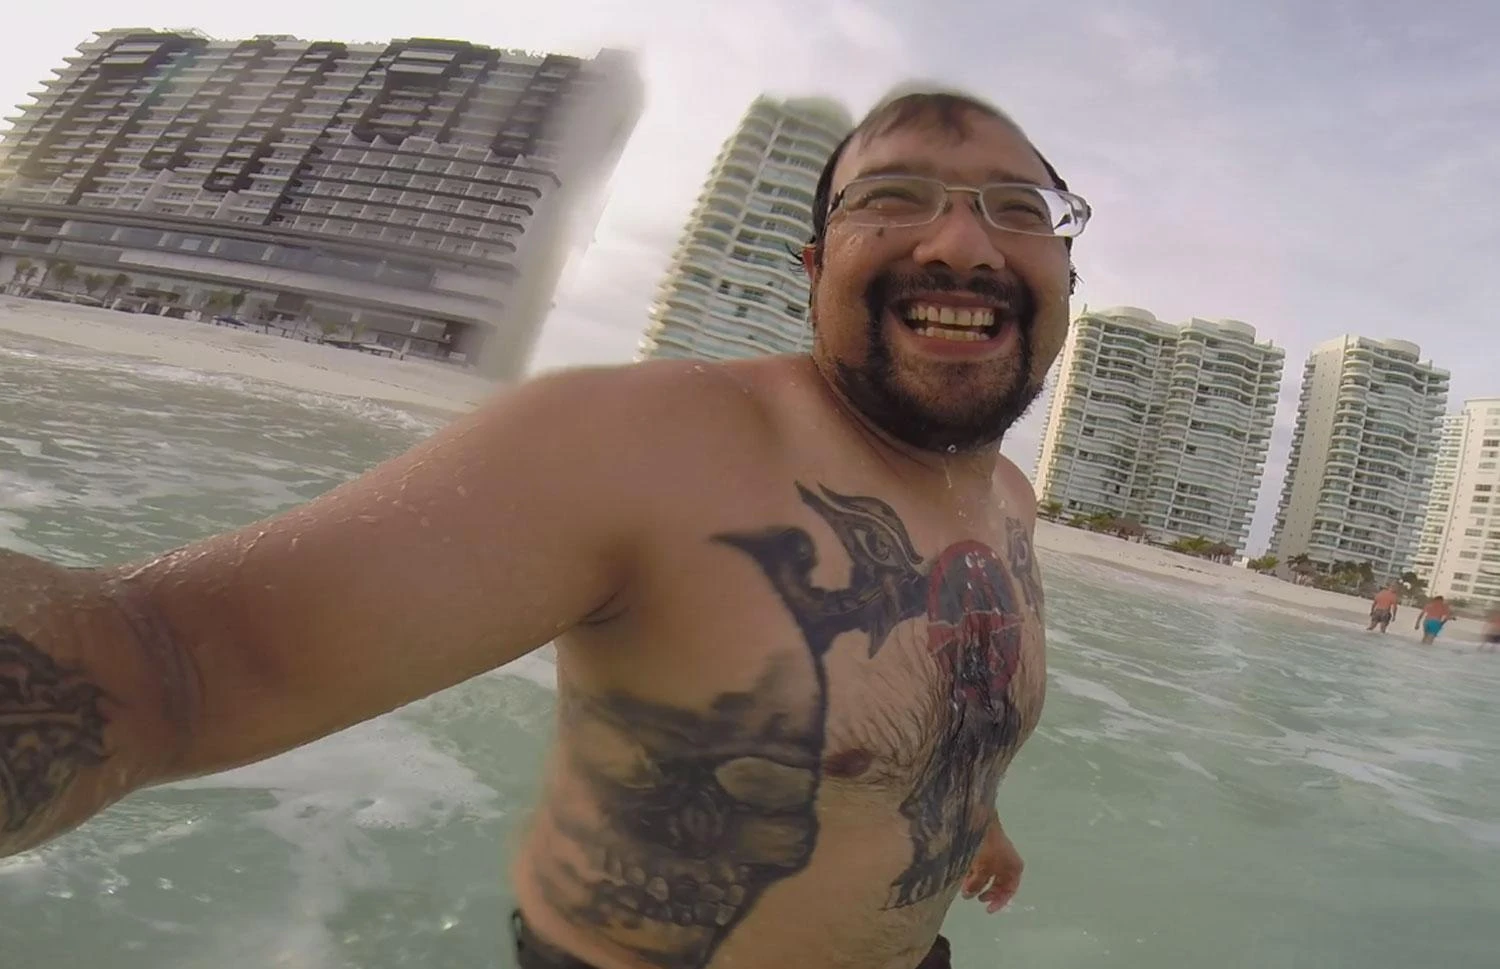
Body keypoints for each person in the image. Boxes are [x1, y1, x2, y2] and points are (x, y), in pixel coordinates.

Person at [0, 88, 1090, 969]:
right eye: (892, 197)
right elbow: (169, 658)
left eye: (1018, 208)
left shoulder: (1008, 499)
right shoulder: (653, 440)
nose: (962, 241)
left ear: (1065, 276)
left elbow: (938, 705)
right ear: (814, 269)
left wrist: (970, 813)